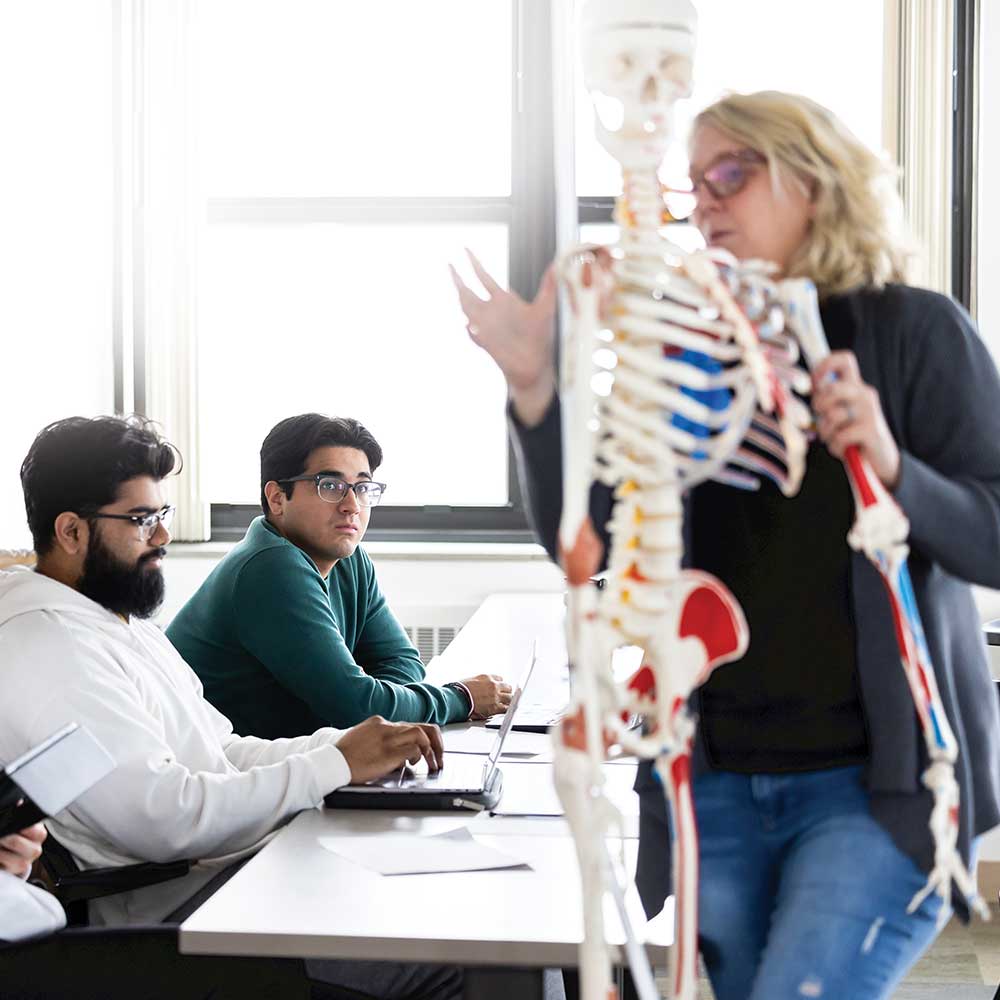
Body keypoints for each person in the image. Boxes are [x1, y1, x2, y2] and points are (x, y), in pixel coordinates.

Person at [453, 90, 1000, 1000]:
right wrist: (538, 388)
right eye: (693, 186)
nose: (704, 204)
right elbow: (592, 541)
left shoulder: (914, 331)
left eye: (730, 176)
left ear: (815, 183)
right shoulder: (688, 350)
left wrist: (894, 467)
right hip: (716, 780)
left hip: (878, 789)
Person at [0, 415, 461, 1000]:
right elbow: (164, 818)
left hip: (238, 876)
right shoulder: (51, 648)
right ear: (70, 531)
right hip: (185, 921)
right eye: (142, 520)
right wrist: (334, 765)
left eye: (163, 515)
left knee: (444, 900)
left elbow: (221, 750)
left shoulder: (116, 621)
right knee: (450, 961)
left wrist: (344, 748)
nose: (163, 537)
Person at [167, 413, 512, 738]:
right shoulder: (270, 567)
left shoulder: (348, 557)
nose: (352, 505)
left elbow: (400, 660)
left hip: (287, 758)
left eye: (362, 488)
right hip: (219, 768)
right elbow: (358, 708)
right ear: (277, 498)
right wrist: (462, 698)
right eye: (330, 486)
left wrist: (381, 707)